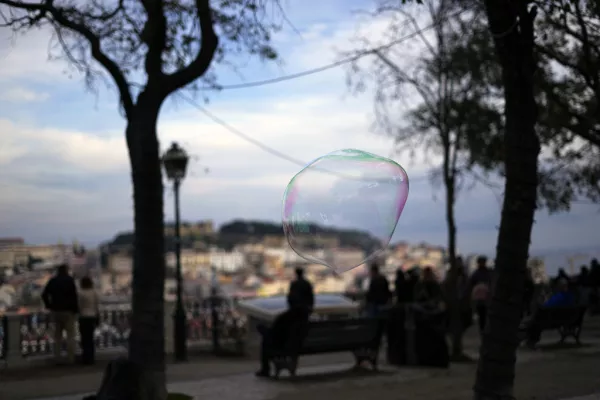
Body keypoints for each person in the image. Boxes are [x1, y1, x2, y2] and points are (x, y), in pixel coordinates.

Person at [255, 268, 314, 378]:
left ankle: (265, 369)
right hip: (298, 342)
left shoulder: (286, 317)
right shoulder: (304, 318)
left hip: (284, 344)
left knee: (263, 333)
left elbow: (276, 331)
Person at [41, 264, 79, 364]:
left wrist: (48, 305)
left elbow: (44, 294)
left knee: (57, 336)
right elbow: (74, 296)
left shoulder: (53, 281)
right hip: (68, 311)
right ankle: (71, 358)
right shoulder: (70, 280)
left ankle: (57, 357)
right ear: (66, 270)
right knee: (71, 335)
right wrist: (75, 310)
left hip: (56, 311)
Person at [525, 278, 574, 348]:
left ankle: (532, 341)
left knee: (533, 323)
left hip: (550, 321)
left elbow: (547, 306)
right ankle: (531, 340)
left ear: (559, 286)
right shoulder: (570, 296)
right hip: (564, 320)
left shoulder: (558, 297)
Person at [467, 256, 493, 336]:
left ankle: (484, 330)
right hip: (480, 298)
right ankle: (483, 330)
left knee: (484, 315)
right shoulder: (478, 273)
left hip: (485, 298)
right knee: (483, 315)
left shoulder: (481, 273)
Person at [78, 276, 99, 365]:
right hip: (92, 317)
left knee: (84, 338)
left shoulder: (80, 293)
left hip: (83, 317)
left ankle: (85, 357)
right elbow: (96, 305)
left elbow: (79, 305)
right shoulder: (94, 292)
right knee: (90, 338)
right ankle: (91, 357)